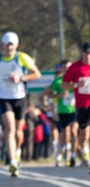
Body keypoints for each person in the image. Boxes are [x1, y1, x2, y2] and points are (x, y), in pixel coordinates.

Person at [0, 31, 42, 176]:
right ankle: (12, 162)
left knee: (18, 131)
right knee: (9, 127)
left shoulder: (22, 57)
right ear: (2, 45)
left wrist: (21, 78)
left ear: (16, 45)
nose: (9, 48)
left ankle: (17, 151)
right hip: (4, 98)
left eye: (12, 45)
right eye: (7, 45)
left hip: (19, 97)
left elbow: (37, 74)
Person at [62, 42, 90, 174]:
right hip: (81, 105)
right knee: (84, 134)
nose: (87, 56)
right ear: (82, 52)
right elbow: (64, 85)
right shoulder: (74, 67)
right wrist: (76, 85)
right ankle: (84, 149)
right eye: (85, 53)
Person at [44, 59, 79, 167]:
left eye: (69, 67)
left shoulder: (76, 79)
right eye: (64, 68)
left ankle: (73, 155)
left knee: (74, 132)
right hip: (62, 111)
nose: (67, 69)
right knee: (65, 134)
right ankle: (64, 150)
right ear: (61, 69)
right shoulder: (58, 81)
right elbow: (49, 94)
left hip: (75, 109)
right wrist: (59, 95)